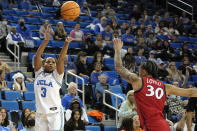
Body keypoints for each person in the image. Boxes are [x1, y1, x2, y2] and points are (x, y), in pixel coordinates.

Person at [113, 38, 197, 131]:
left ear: (144, 71)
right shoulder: (165, 86)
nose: (138, 71)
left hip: (151, 127)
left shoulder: (139, 81)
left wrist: (117, 50)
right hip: (164, 126)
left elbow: (119, 68)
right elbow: (191, 92)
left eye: (140, 69)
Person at [34, 26, 72, 131]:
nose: (50, 63)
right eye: (48, 62)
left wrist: (66, 43)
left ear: (55, 66)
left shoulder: (57, 76)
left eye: (53, 62)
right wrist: (46, 40)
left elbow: (60, 60)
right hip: (40, 113)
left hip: (54, 114)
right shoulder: (38, 73)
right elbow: (37, 56)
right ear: (43, 64)